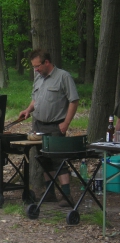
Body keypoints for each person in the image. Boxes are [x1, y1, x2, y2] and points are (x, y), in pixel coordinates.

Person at [19, 49, 79, 207]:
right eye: (33, 67)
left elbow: (73, 101)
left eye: (37, 66)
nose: (35, 70)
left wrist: (66, 123)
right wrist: (27, 110)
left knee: (59, 159)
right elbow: (35, 99)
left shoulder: (63, 77)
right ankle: (49, 192)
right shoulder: (38, 79)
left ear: (47, 62)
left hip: (56, 125)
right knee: (44, 159)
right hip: (39, 125)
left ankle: (66, 195)